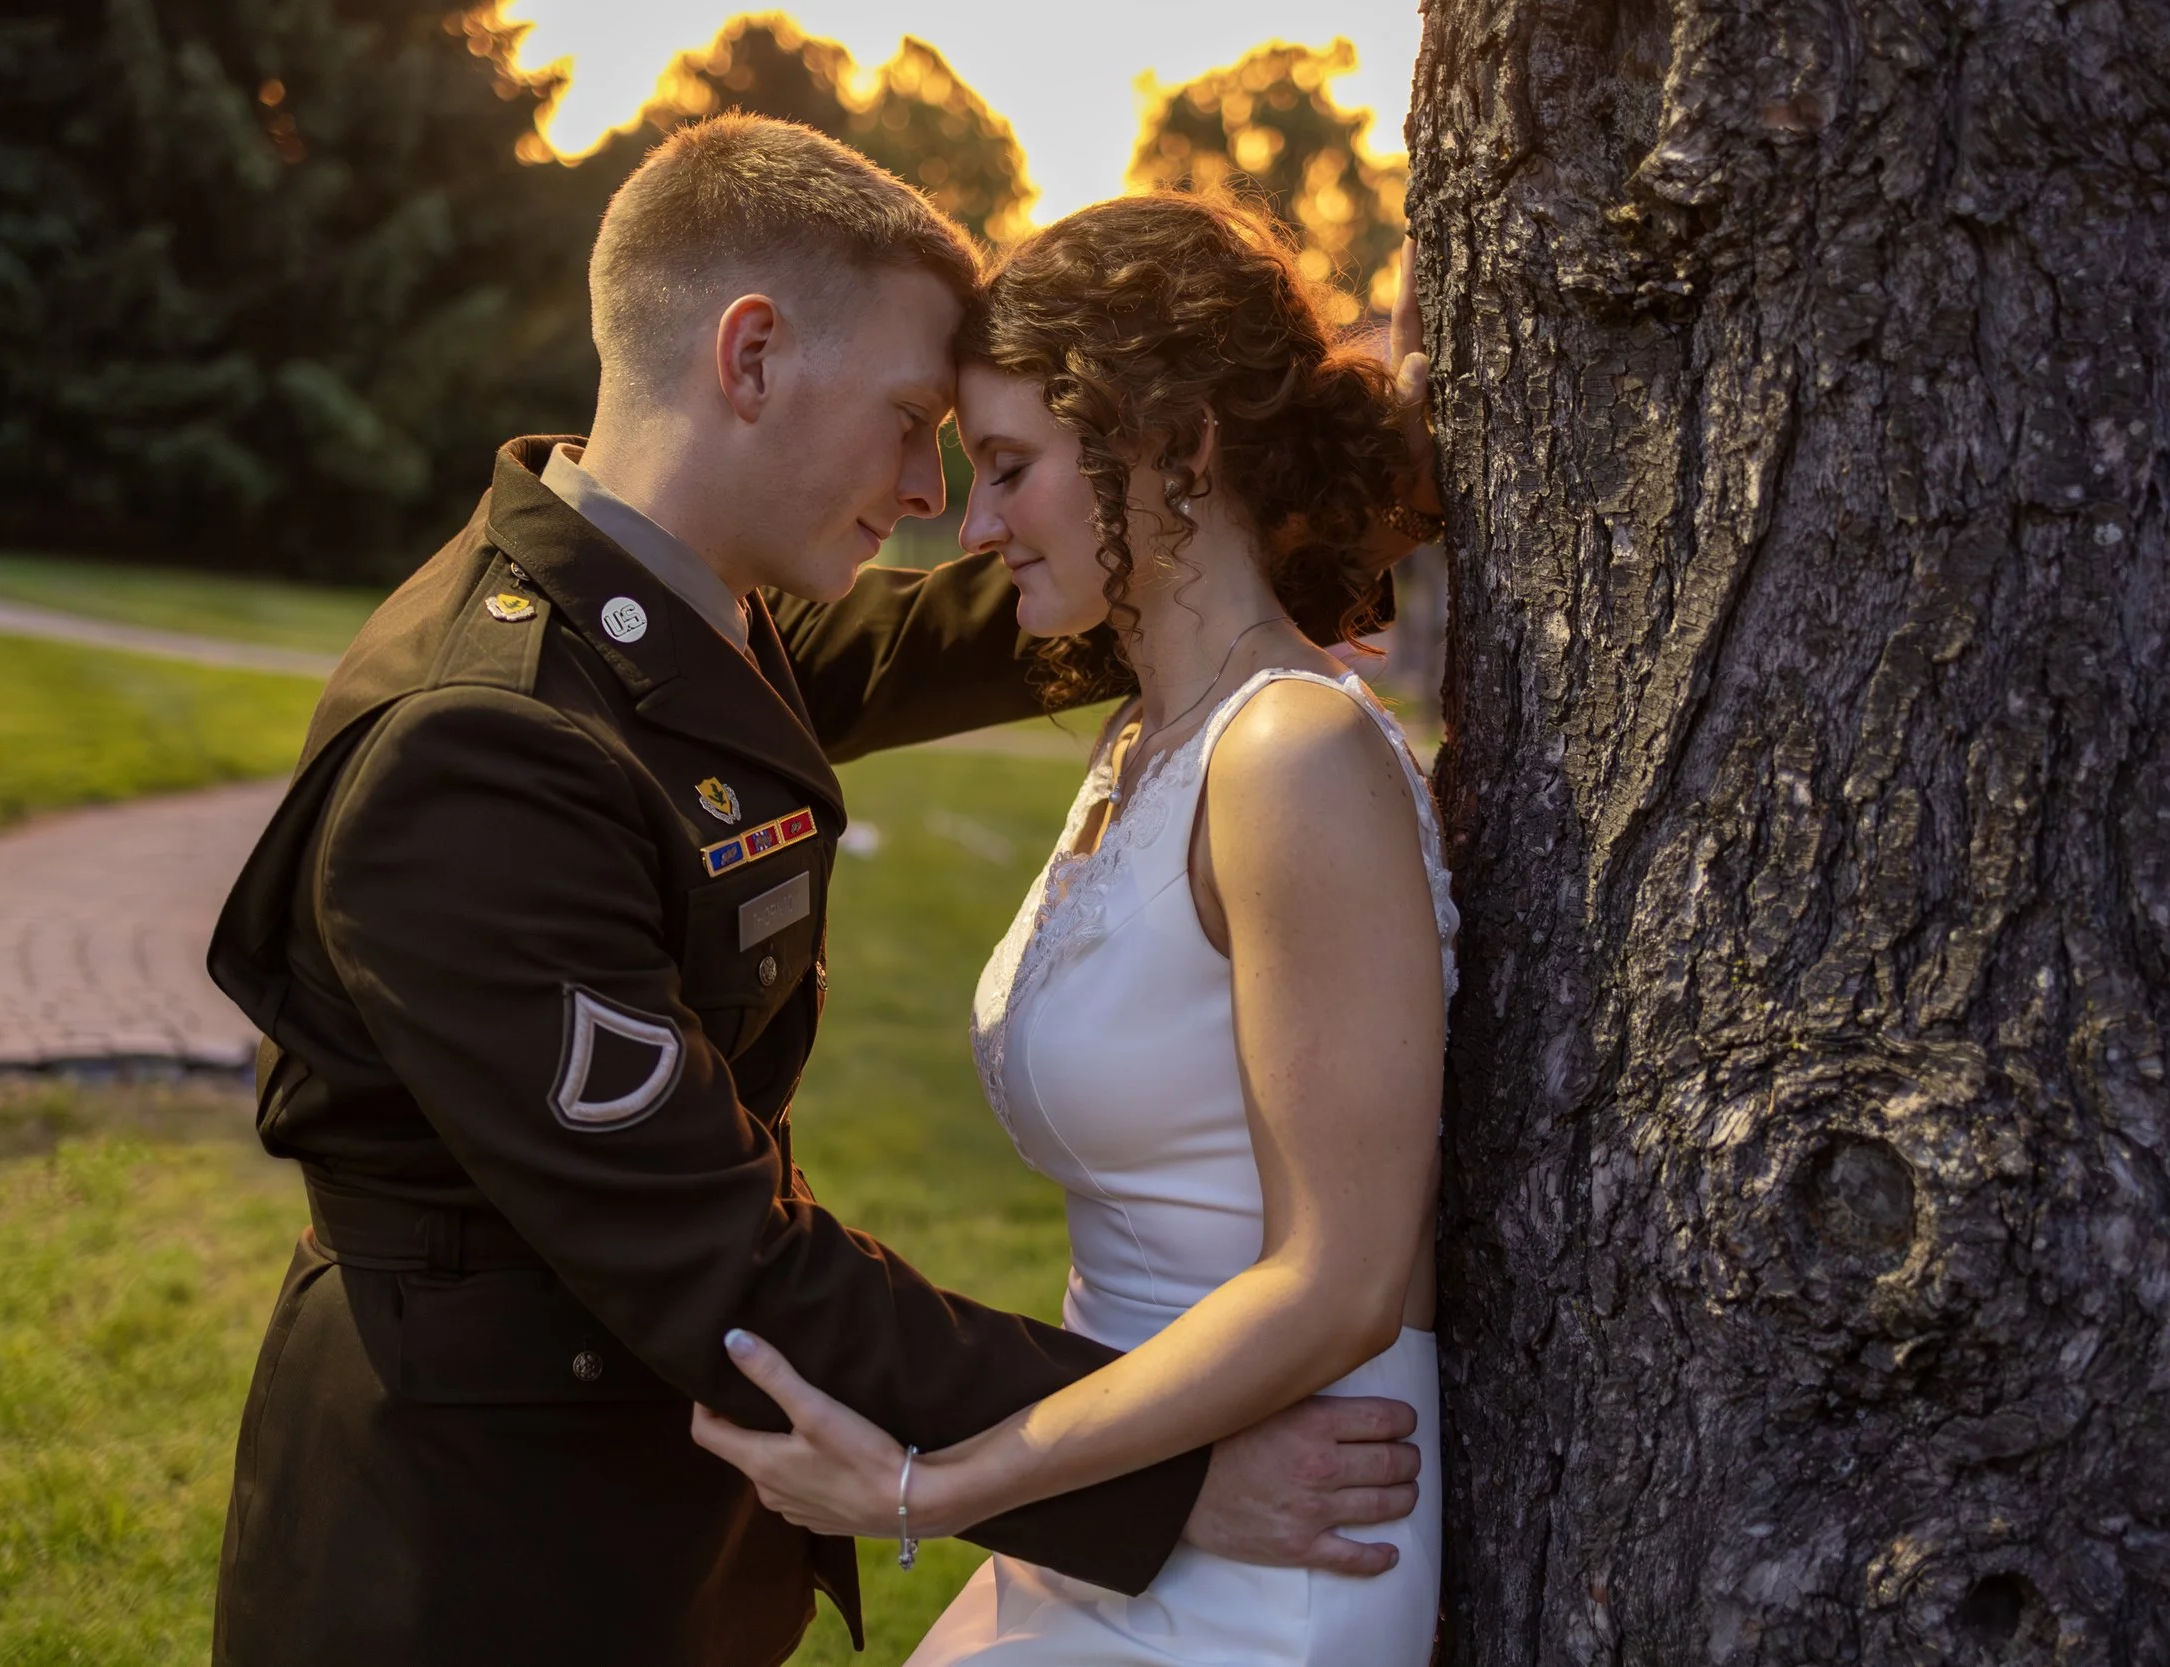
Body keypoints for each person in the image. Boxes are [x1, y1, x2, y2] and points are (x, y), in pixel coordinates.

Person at [202, 118, 1432, 1667]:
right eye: (919, 425)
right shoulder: (490, 747)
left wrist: (1270, 490)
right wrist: (1159, 1477)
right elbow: (726, 1257)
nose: (935, 495)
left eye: (980, 461)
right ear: (753, 355)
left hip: (648, 1494)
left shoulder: (663, 610)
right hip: (481, 1548)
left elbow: (981, 612)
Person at [689, 194, 1455, 1665]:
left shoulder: (1291, 759)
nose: (970, 527)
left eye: (1014, 470)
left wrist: (939, 1484)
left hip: (1287, 1546)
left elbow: (1343, 1280)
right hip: (1142, 1490)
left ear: (1178, 448)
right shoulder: (1141, 742)